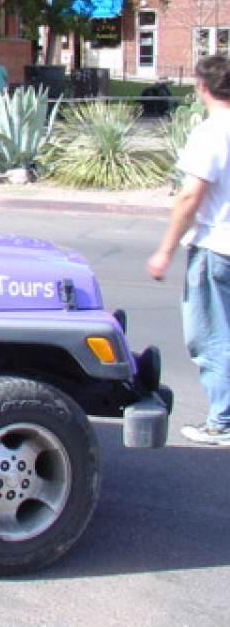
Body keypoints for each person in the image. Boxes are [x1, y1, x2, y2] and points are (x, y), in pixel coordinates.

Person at [147, 54, 230, 446]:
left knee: (211, 335)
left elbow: (190, 197)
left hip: (218, 246)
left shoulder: (212, 133)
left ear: (202, 87)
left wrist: (165, 250)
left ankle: (222, 420)